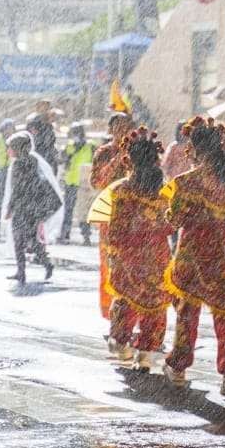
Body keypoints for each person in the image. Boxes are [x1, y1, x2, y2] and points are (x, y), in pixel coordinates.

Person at [162, 116, 225, 393]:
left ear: (196, 150)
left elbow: (174, 221)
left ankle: (179, 366)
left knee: (187, 314)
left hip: (192, 256)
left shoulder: (184, 183)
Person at [105, 128, 174, 369]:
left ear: (130, 159)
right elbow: (171, 225)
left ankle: (123, 345)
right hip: (157, 254)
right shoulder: (165, 191)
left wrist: (113, 251)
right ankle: (145, 354)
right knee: (155, 305)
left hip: (130, 254)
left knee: (126, 299)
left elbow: (115, 229)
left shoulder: (122, 190)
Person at [3, 131, 61, 285]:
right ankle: (45, 263)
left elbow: (17, 189)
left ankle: (22, 272)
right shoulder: (33, 161)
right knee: (31, 240)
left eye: (9, 148)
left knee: (19, 241)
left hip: (22, 208)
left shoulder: (17, 164)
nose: (8, 151)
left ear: (16, 148)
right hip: (34, 208)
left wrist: (10, 208)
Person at [92, 112, 134, 319]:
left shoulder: (138, 151)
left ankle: (134, 314)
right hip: (110, 216)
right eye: (117, 127)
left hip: (135, 217)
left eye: (126, 126)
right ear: (110, 130)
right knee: (109, 265)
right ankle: (112, 314)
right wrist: (117, 159)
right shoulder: (103, 152)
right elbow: (97, 182)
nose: (122, 131)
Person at [58, 122, 95, 244]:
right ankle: (65, 234)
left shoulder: (90, 147)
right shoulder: (69, 147)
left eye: (77, 133)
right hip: (71, 183)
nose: (75, 136)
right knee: (68, 210)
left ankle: (86, 235)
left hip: (84, 184)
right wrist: (66, 156)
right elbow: (62, 160)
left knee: (84, 211)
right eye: (74, 133)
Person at [26, 100, 59, 173]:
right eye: (44, 109)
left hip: (47, 164)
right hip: (38, 164)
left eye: (48, 109)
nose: (47, 111)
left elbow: (50, 145)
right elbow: (34, 144)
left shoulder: (49, 127)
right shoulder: (34, 126)